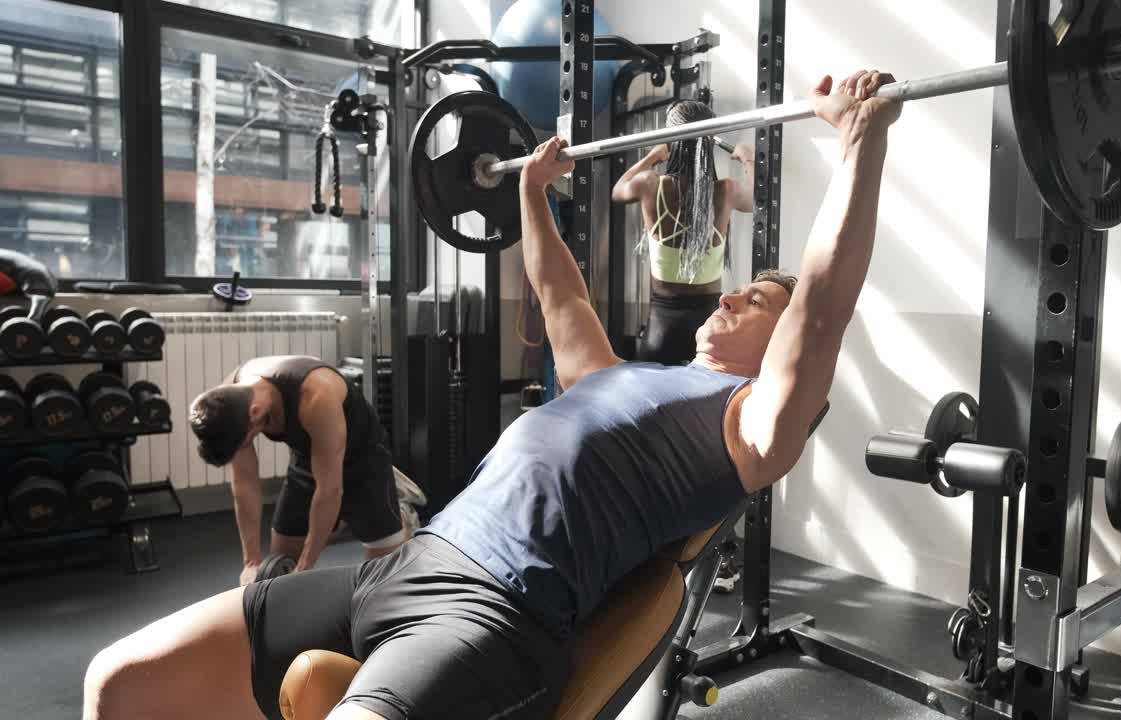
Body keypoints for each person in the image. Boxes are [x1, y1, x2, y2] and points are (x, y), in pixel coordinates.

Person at [83, 70, 901, 720]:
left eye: (755, 301)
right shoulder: (623, 375)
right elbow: (561, 299)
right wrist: (528, 193)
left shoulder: (749, 425)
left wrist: (860, 146)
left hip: (495, 619)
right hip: (404, 566)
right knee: (119, 681)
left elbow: (823, 310)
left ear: (778, 351)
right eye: (737, 290)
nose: (727, 297)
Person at [188, 355, 421, 586]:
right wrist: (251, 562)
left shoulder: (317, 395)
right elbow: (245, 482)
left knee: (386, 576)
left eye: (246, 441)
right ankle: (339, 522)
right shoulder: (228, 404)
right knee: (280, 565)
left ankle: (400, 511)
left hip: (364, 459)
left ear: (255, 412)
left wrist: (305, 567)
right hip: (308, 456)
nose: (246, 445)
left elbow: (329, 490)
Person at [612, 99, 754, 366]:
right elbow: (757, 197)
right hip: (709, 332)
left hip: (660, 332)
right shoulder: (726, 191)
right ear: (710, 142)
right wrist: (748, 157)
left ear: (671, 139)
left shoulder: (650, 185)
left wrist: (654, 154)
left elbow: (619, 190)